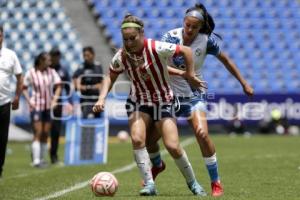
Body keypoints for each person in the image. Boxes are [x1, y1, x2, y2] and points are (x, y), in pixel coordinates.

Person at [145, 3, 254, 197]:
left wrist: (243, 83)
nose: (189, 30)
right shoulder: (170, 37)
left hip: (193, 96)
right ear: (183, 22)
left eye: (194, 27)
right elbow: (157, 65)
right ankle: (158, 165)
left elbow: (227, 60)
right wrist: (185, 73)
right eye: (187, 25)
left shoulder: (206, 41)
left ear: (200, 27)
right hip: (167, 96)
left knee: (202, 133)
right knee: (150, 141)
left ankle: (215, 181)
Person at [93, 14, 207, 196]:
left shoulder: (156, 47)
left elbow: (186, 51)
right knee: (138, 140)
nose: (129, 43)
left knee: (172, 146)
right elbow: (110, 76)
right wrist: (101, 98)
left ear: (142, 33)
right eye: (125, 39)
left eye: (133, 38)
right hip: (139, 102)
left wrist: (190, 74)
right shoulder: (122, 55)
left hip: (163, 101)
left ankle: (193, 183)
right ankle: (149, 184)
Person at [23, 52, 61, 167]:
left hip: (48, 107)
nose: (50, 61)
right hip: (37, 106)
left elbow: (59, 85)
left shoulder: (52, 72)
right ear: (41, 61)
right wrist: (29, 101)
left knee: (45, 133)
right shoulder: (31, 72)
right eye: (48, 60)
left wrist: (55, 99)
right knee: (38, 132)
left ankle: (41, 159)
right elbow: (24, 87)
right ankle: (35, 161)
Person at [0, 25, 23, 178]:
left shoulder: (10, 55)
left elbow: (20, 77)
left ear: (3, 36)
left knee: (2, 139)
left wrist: (17, 97)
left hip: (4, 103)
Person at [49, 48, 72, 164]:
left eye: (58, 55)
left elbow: (68, 87)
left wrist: (70, 102)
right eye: (54, 55)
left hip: (58, 103)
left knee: (56, 130)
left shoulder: (63, 70)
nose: (56, 58)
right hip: (44, 102)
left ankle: (54, 156)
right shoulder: (45, 69)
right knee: (42, 130)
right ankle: (37, 157)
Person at [73, 46, 103, 119]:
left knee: (97, 120)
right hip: (85, 99)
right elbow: (75, 78)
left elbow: (102, 82)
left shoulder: (98, 66)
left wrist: (100, 92)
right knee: (87, 120)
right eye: (84, 56)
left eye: (88, 55)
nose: (86, 58)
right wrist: (78, 86)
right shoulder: (81, 67)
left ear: (93, 55)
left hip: (97, 99)